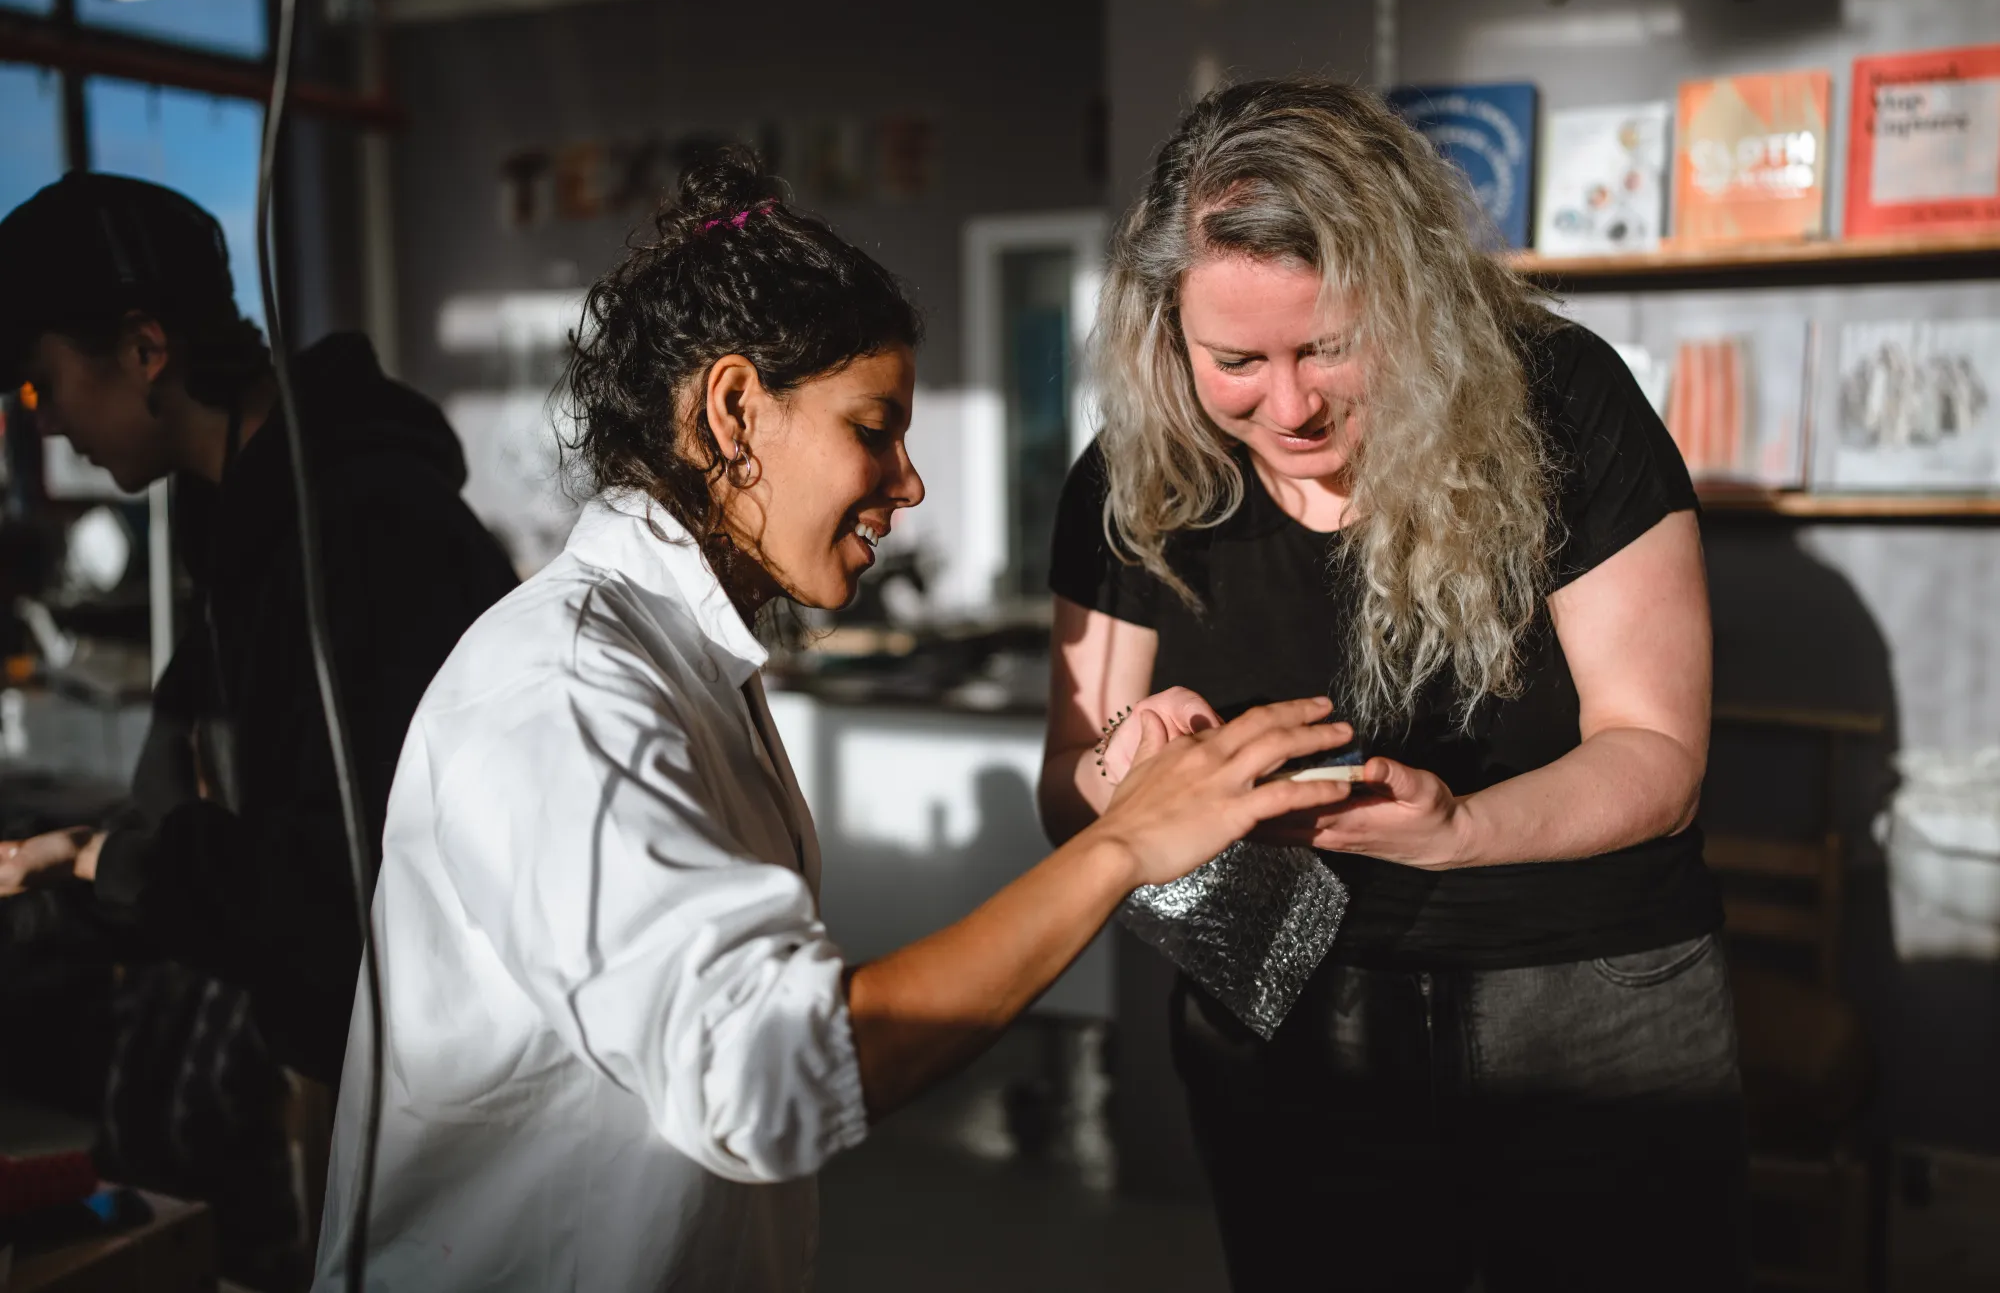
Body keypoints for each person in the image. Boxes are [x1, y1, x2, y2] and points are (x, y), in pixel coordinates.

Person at [310, 148, 1354, 1292]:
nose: (908, 483)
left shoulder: (687, 662)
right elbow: (761, 1073)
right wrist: (1123, 845)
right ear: (731, 411)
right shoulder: (562, 691)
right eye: (871, 427)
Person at [1039, 79, 1745, 1292]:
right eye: (1234, 361)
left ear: (1413, 298)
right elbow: (1069, 793)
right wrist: (1125, 772)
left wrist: (1460, 830)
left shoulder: (1560, 400)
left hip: (1583, 994)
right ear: (1167, 332)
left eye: (1327, 346)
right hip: (1281, 1014)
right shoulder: (1133, 479)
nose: (1289, 405)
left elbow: (1656, 754)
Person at [0, 173, 519, 1282]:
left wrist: (106, 864)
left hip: (436, 1080)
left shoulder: (358, 530)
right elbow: (200, 784)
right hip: (349, 1053)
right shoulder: (239, 516)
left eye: (41, 385)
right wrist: (86, 863)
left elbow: (333, 894)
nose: (41, 424)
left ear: (145, 348)